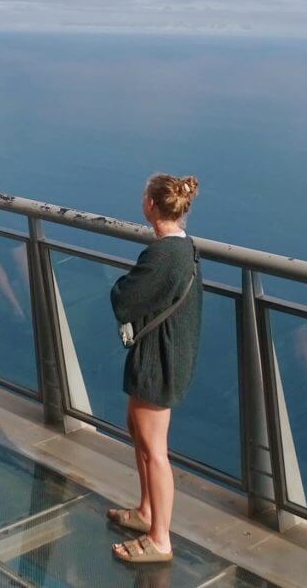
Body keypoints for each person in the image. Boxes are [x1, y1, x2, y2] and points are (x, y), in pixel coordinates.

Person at [108, 173, 203, 565]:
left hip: (160, 361)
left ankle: (160, 539)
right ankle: (147, 512)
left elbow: (124, 299)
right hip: (164, 354)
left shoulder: (163, 255)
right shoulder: (181, 247)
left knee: (155, 449)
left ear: (151, 204)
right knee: (138, 431)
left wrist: (120, 288)